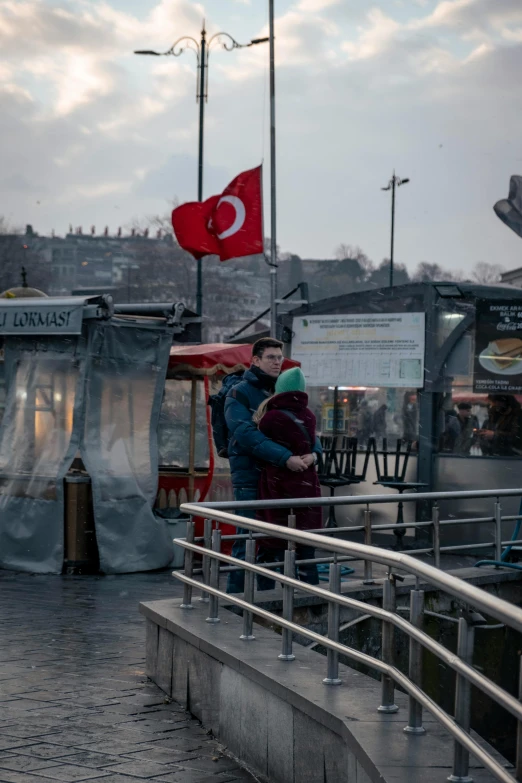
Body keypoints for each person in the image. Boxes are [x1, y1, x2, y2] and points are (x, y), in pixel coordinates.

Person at [224, 337, 320, 593]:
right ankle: (235, 600)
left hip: (280, 478)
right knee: (247, 539)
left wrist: (314, 454)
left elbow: (305, 430)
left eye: (280, 357)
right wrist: (285, 458)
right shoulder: (239, 392)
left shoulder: (278, 390)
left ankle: (267, 598)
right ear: (255, 360)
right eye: (271, 357)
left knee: (273, 542)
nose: (278, 362)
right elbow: (245, 434)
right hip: (251, 477)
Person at [254, 367, 322, 589]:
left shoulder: (272, 417)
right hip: (307, 489)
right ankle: (311, 598)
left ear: (279, 388)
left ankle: (265, 599)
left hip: (278, 489)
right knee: (305, 550)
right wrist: (312, 456)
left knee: (270, 547)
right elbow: (312, 444)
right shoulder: (309, 415)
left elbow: (257, 446)